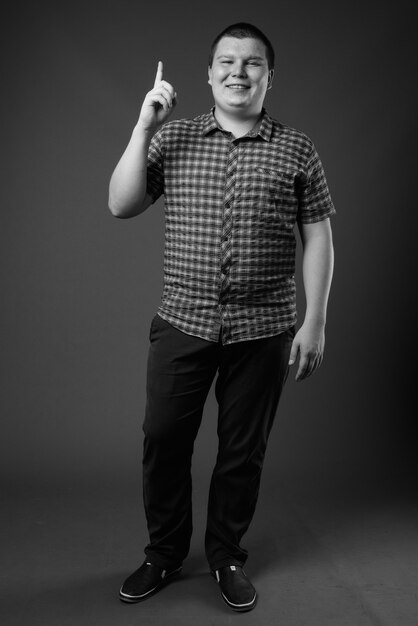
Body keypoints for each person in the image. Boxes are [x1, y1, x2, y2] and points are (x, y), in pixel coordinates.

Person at [108, 22, 335, 612]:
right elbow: (120, 204)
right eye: (226, 62)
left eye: (252, 63)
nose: (239, 72)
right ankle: (163, 553)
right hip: (183, 320)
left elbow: (317, 236)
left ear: (269, 77)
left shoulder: (297, 148)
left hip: (265, 330)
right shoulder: (173, 137)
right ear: (209, 75)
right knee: (163, 440)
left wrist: (315, 321)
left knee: (242, 451)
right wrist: (143, 127)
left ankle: (226, 554)